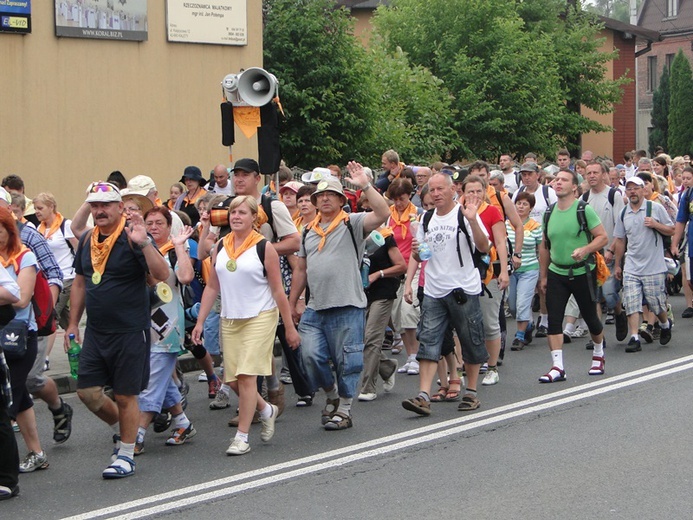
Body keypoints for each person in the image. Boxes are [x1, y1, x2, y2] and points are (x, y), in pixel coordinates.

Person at [65, 181, 169, 479]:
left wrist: (145, 242)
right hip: (97, 332)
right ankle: (125, 431)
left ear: (119, 207)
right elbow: (81, 283)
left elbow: (161, 275)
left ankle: (125, 454)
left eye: (105, 205)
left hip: (130, 330)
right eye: (94, 205)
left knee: (125, 396)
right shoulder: (87, 240)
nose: (99, 211)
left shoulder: (132, 236)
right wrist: (73, 324)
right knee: (87, 393)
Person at [192, 196, 300, 455]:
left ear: (255, 218)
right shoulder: (220, 246)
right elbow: (212, 287)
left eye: (242, 212)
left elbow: (278, 290)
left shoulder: (265, 248)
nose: (236, 217)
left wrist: (289, 327)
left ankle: (241, 437)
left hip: (260, 316)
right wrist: (199, 322)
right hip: (231, 318)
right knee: (230, 379)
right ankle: (266, 409)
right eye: (233, 213)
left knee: (247, 376)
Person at [288, 165, 390, 430]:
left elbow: (382, 212)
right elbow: (300, 269)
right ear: (314, 201)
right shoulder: (308, 231)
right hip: (315, 307)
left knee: (348, 361)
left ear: (342, 200)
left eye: (331, 194)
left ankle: (344, 409)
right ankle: (332, 395)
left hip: (347, 304)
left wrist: (365, 185)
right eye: (320, 196)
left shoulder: (351, 223)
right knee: (309, 356)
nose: (324, 199)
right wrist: (291, 303)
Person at [401, 172, 490, 416]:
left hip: (463, 288)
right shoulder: (427, 219)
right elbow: (420, 255)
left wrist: (472, 221)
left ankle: (470, 392)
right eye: (433, 190)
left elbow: (484, 247)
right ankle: (423, 395)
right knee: (429, 340)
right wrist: (410, 279)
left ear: (454, 190)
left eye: (441, 189)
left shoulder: (465, 215)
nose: (437, 193)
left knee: (470, 339)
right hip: (433, 289)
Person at [538, 169, 608, 383]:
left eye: (564, 180)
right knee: (554, 321)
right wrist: (543, 276)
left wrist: (585, 249)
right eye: (556, 179)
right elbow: (544, 246)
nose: (558, 183)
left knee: (590, 317)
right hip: (557, 272)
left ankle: (598, 353)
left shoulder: (583, 209)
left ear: (574, 187)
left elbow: (603, 237)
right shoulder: (548, 212)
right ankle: (557, 367)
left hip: (582, 272)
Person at [135, 207, 196, 455]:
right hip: (142, 323)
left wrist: (179, 245)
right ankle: (182, 423)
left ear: (169, 225)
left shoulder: (174, 250)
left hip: (169, 324)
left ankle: (136, 434)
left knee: (151, 382)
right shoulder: (141, 251)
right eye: (149, 223)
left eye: (159, 222)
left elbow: (186, 276)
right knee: (161, 378)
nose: (154, 227)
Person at [0, 208, 47, 472]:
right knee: (22, 399)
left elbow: (22, 298)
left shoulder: (25, 257)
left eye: (0, 231)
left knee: (9, 401)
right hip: (1, 335)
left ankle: (5, 470)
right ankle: (37, 452)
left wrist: (5, 292)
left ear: (10, 230)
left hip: (19, 337)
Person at [613, 176, 675, 352]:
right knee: (631, 301)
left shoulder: (654, 208)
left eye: (635, 188)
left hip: (653, 265)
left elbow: (671, 229)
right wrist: (618, 264)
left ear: (643, 190)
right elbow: (620, 240)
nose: (632, 192)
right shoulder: (624, 213)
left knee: (656, 303)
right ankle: (634, 337)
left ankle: (664, 323)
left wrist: (655, 224)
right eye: (629, 189)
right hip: (632, 265)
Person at [461, 175, 509, 386]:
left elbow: (500, 241)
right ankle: (466, 365)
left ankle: (492, 367)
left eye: (478, 191)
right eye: (470, 191)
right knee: (464, 323)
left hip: (488, 273)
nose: (474, 195)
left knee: (489, 322)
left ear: (484, 192)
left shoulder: (491, 211)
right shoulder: (457, 211)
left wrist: (505, 270)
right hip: (462, 274)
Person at [358, 227, 406, 401]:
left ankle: (368, 387)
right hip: (361, 294)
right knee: (359, 339)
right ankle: (386, 366)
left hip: (383, 292)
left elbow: (401, 266)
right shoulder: (353, 236)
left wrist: (379, 274)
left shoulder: (385, 237)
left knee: (372, 338)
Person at [33, 193, 79, 372]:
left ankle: (44, 358)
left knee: (50, 314)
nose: (37, 212)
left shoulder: (65, 226)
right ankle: (78, 350)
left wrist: (78, 274)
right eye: (35, 208)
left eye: (40, 208)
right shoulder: (39, 229)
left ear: (51, 207)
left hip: (66, 277)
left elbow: (78, 249)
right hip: (48, 280)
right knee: (69, 321)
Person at [386, 178, 423, 376]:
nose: (398, 203)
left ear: (409, 196)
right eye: (395, 199)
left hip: (414, 267)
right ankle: (409, 356)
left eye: (401, 198)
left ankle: (416, 355)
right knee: (396, 315)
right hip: (394, 269)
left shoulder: (417, 215)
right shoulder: (388, 217)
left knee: (409, 311)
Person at [507, 192, 542, 350]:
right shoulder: (507, 224)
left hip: (529, 269)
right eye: (518, 203)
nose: (520, 206)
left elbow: (541, 251)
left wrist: (543, 274)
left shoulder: (535, 226)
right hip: (510, 271)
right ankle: (528, 325)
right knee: (512, 306)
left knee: (522, 303)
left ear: (531, 208)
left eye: (525, 204)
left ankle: (519, 336)